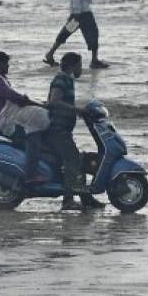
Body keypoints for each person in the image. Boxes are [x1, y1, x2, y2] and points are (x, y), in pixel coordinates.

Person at [45, 52, 105, 211]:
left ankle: (86, 199)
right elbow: (54, 101)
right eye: (80, 65)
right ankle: (68, 201)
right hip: (57, 130)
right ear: (72, 66)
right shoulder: (60, 80)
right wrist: (77, 109)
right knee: (73, 161)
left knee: (78, 161)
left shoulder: (67, 80)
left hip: (63, 130)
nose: (81, 68)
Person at [0, 51, 49, 183]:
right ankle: (31, 174)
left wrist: (39, 103)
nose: (8, 66)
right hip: (2, 121)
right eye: (5, 64)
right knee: (33, 134)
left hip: (7, 117)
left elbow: (15, 98)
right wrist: (34, 103)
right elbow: (15, 97)